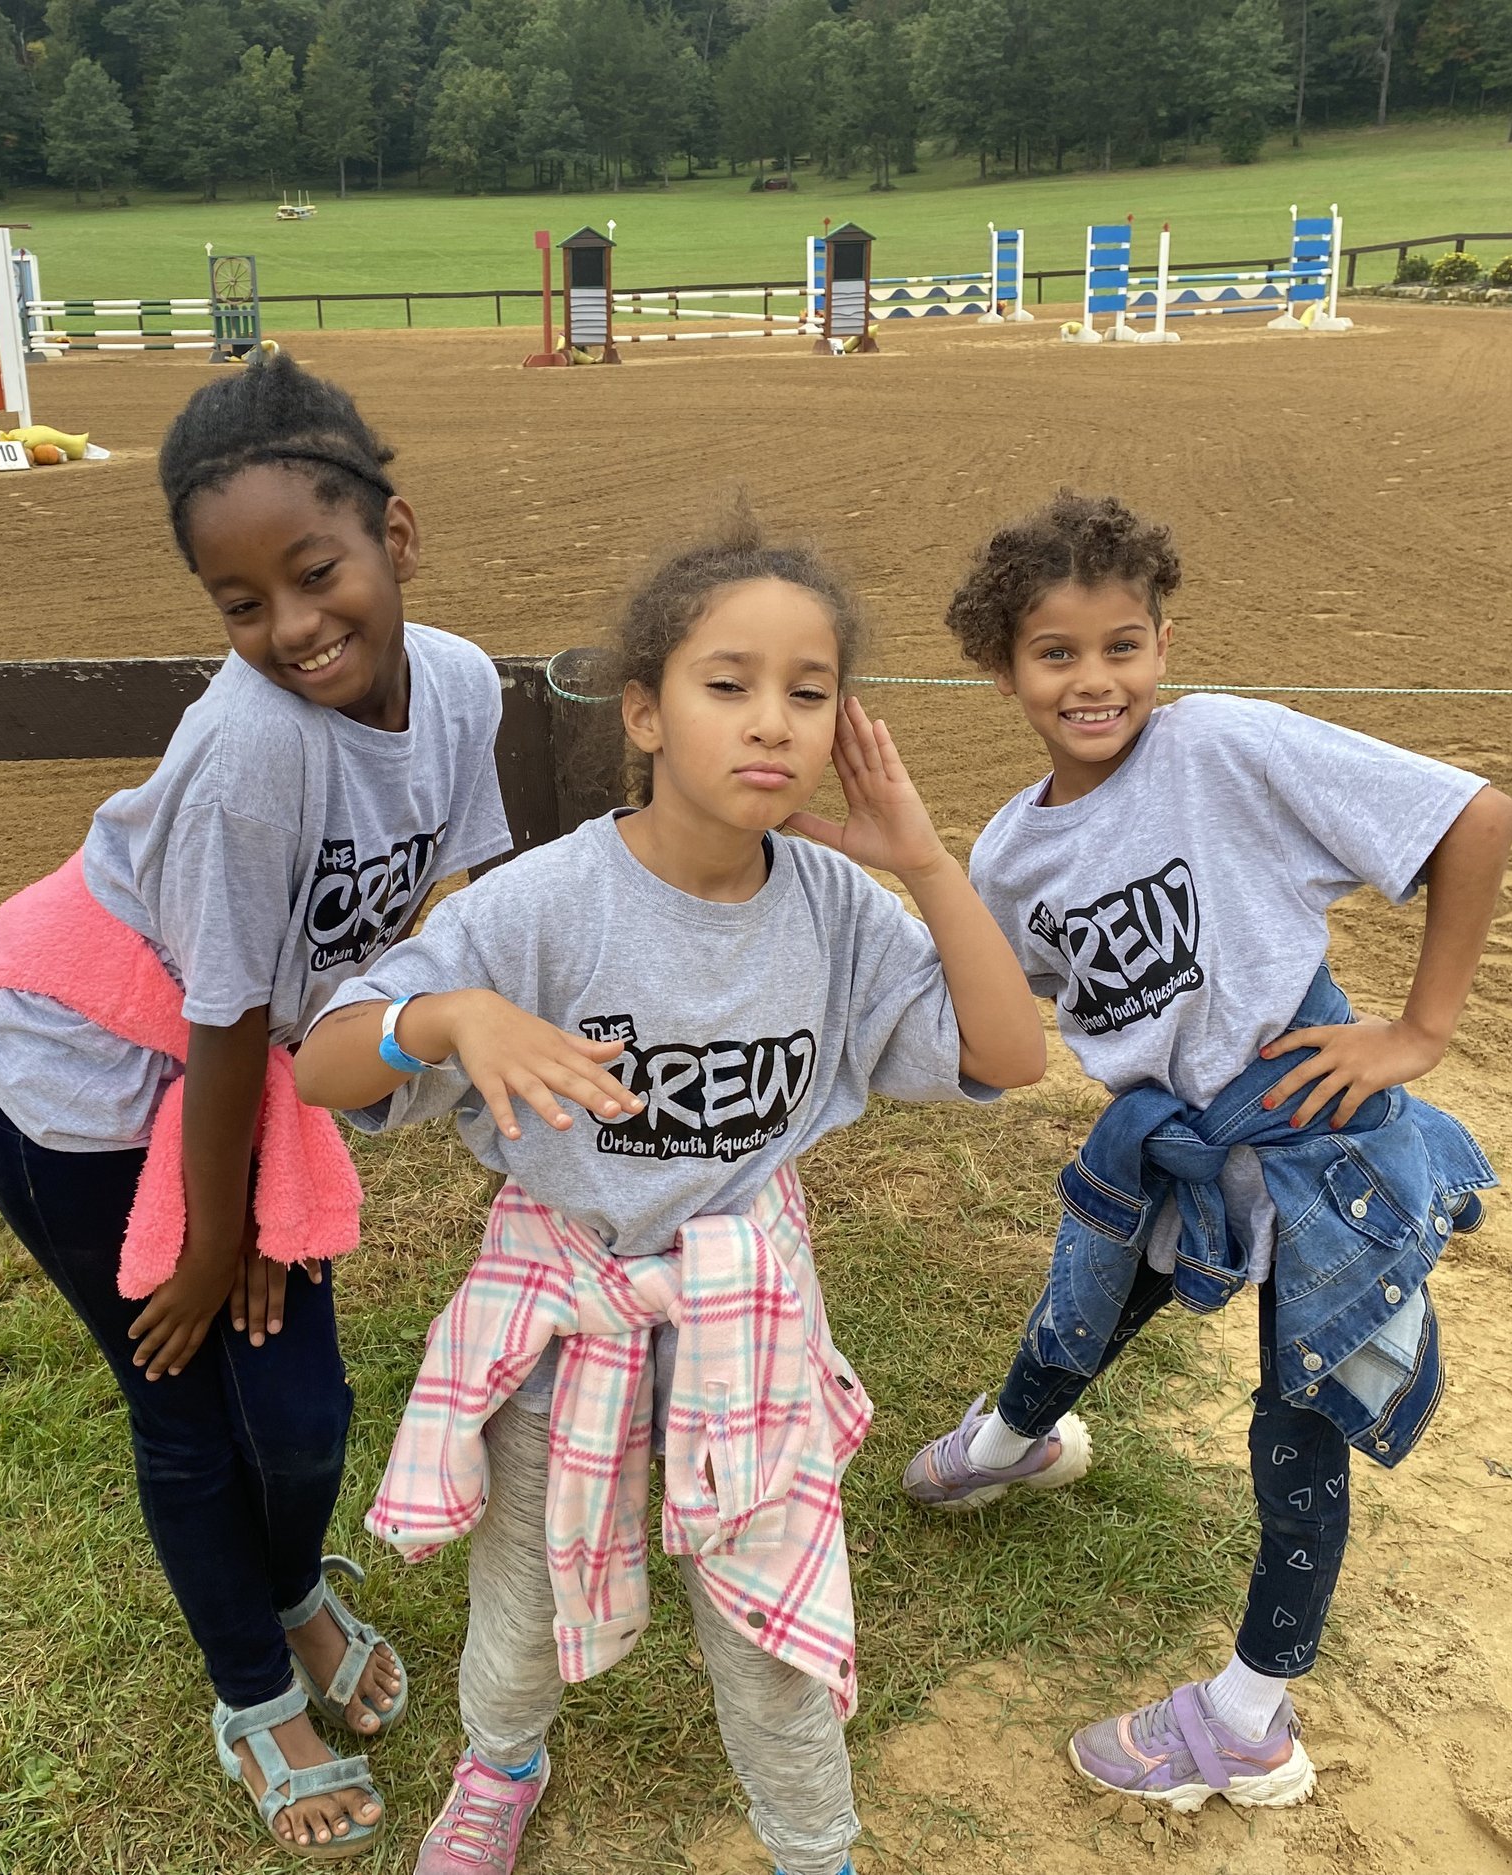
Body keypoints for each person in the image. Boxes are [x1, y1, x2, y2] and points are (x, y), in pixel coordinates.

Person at [294, 511, 1051, 1875]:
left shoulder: (837, 908)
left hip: (742, 1321)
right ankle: (498, 1764)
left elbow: (1008, 1053)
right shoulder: (541, 907)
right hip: (561, 1320)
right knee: (521, 1607)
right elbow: (326, 1064)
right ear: (643, 711)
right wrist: (454, 1017)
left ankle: (815, 1846)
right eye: (728, 684)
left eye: (807, 693)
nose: (772, 722)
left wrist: (925, 863)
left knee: (765, 1625)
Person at [0, 345, 514, 1859]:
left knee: (298, 1415)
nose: (293, 629)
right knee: (182, 1403)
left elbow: (456, 896)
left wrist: (454, 1061)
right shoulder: (247, 750)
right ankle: (255, 1692)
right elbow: (226, 1017)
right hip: (73, 1078)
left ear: (397, 537)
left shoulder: (466, 688)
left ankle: (293, 1590)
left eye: (317, 575)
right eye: (243, 605)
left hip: (222, 1075)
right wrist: (204, 1240)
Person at [902, 490, 1512, 1816]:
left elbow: (1475, 816)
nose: (1094, 679)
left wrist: (1419, 1030)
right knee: (1089, 1295)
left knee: (1300, 1425)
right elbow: (1008, 1010)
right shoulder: (1009, 852)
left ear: (1162, 646)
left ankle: (1248, 1721)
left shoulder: (1224, 747)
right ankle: (1017, 1438)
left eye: (1123, 644)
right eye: (1056, 653)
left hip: (1314, 1148)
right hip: (1167, 1145)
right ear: (1004, 667)